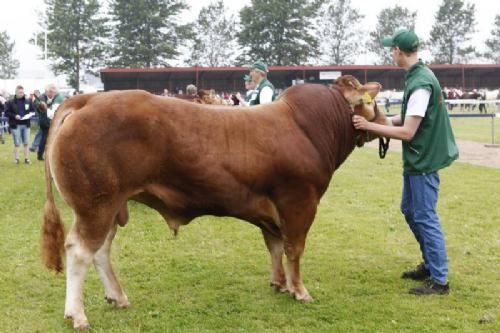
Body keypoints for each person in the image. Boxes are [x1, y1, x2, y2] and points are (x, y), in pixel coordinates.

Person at [352, 29, 459, 295]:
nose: (391, 53)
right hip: (419, 159)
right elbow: (409, 120)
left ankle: (440, 280)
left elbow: (408, 132)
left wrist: (369, 126)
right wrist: (382, 121)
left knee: (424, 215)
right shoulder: (417, 77)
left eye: (392, 49)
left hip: (423, 161)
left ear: (399, 51)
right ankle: (430, 265)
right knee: (411, 211)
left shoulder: (421, 83)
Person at [4, 85, 36, 164]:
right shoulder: (10, 102)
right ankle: (16, 159)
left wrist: (30, 114)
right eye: (19, 92)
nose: (21, 94)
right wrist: (15, 116)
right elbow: (6, 113)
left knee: (26, 142)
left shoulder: (28, 101)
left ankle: (26, 159)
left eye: (22, 92)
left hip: (26, 125)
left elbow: (33, 111)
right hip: (16, 125)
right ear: (16, 93)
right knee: (17, 143)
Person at [34, 83, 63, 160]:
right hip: (44, 122)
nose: (51, 93)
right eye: (50, 91)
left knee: (54, 139)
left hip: (54, 122)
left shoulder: (58, 97)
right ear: (46, 91)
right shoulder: (41, 97)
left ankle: (51, 154)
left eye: (53, 92)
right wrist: (41, 105)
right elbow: (37, 104)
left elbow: (57, 106)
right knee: (44, 139)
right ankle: (40, 155)